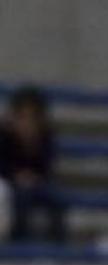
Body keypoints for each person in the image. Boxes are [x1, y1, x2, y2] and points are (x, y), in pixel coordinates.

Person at [0, 85, 65, 241]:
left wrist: (32, 144)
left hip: (37, 181)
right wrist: (17, 176)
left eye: (32, 117)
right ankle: (19, 239)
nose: (27, 122)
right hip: (10, 182)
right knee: (21, 197)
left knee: (58, 198)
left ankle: (58, 244)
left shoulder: (45, 135)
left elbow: (47, 165)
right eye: (23, 116)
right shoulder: (4, 136)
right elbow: (2, 164)